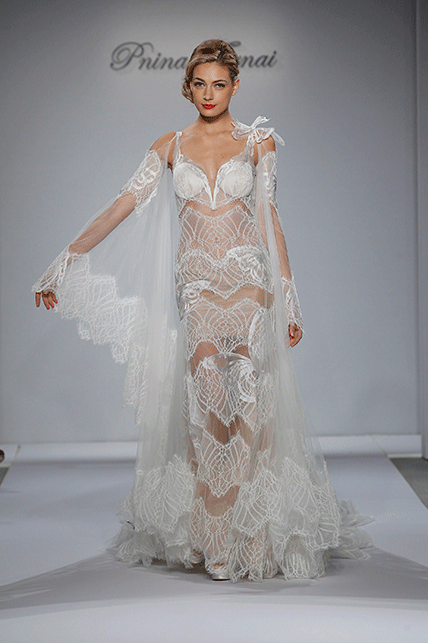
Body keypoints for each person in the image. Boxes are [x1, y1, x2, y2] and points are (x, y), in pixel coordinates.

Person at [34, 39, 370, 582]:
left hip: (249, 280)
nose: (209, 94)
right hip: (195, 285)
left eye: (219, 84)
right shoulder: (170, 146)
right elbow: (123, 203)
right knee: (209, 400)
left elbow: (270, 217)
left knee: (248, 400)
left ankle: (249, 534)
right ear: (187, 88)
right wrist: (67, 257)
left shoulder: (258, 142)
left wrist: (290, 295)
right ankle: (215, 532)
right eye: (199, 84)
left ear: (235, 86)